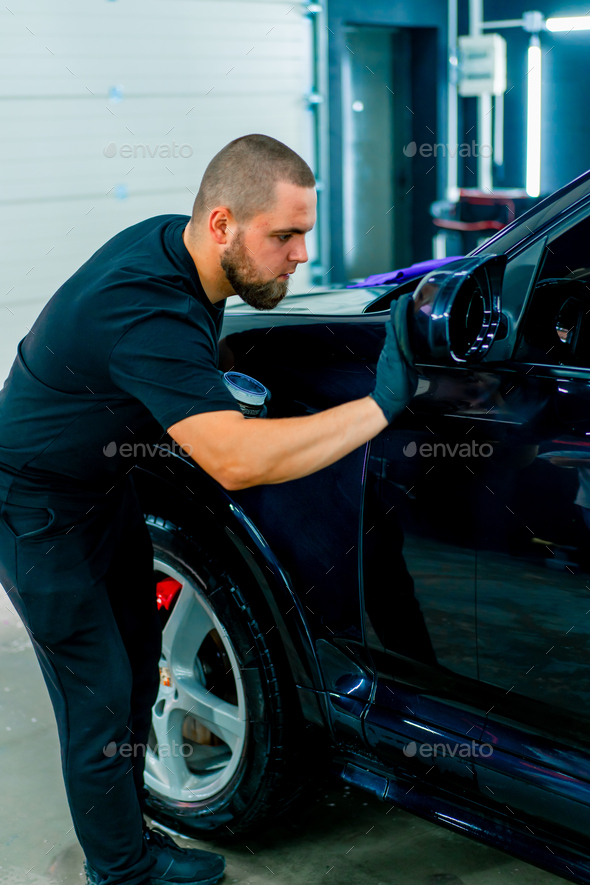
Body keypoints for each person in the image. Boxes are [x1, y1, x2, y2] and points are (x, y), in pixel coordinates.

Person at [0, 134, 417, 885]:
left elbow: (178, 376)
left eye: (304, 235)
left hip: (101, 487)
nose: (299, 255)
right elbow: (234, 461)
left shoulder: (181, 251)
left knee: (135, 669)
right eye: (284, 236)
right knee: (96, 697)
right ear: (222, 224)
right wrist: (379, 405)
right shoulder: (145, 306)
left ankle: (134, 841)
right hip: (34, 504)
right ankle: (120, 874)